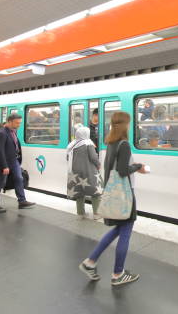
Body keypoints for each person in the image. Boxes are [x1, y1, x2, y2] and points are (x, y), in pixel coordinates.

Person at [79, 111, 147, 285]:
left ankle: (90, 262)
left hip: (113, 191)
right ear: (125, 125)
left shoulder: (110, 142)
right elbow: (123, 171)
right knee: (125, 231)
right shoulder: (124, 144)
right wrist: (138, 166)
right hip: (124, 193)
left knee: (118, 229)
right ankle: (118, 274)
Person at [0, 114, 35, 213]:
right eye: (17, 123)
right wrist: (4, 166)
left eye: (19, 122)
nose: (19, 125)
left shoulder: (13, 131)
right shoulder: (1, 133)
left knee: (19, 178)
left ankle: (22, 201)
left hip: (14, 160)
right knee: (0, 183)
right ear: (9, 121)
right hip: (4, 162)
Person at [67, 126, 102, 220]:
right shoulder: (88, 143)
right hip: (88, 170)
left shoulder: (72, 144)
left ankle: (80, 213)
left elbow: (68, 158)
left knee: (79, 192)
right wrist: (99, 164)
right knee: (95, 191)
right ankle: (97, 214)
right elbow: (93, 157)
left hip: (75, 172)